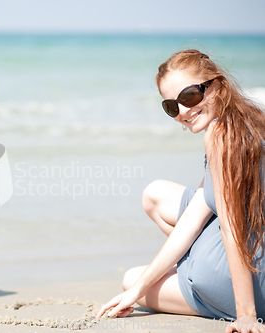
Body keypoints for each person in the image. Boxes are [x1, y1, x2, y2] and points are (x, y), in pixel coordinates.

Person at [97, 49, 265, 333]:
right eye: (171, 107)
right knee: (155, 195)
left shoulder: (219, 135)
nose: (183, 112)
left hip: (237, 282)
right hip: (258, 258)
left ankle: (199, 280)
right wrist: (140, 289)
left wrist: (246, 315)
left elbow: (232, 227)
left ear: (217, 85)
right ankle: (187, 270)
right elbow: (192, 218)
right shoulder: (252, 118)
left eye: (189, 97)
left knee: (130, 278)